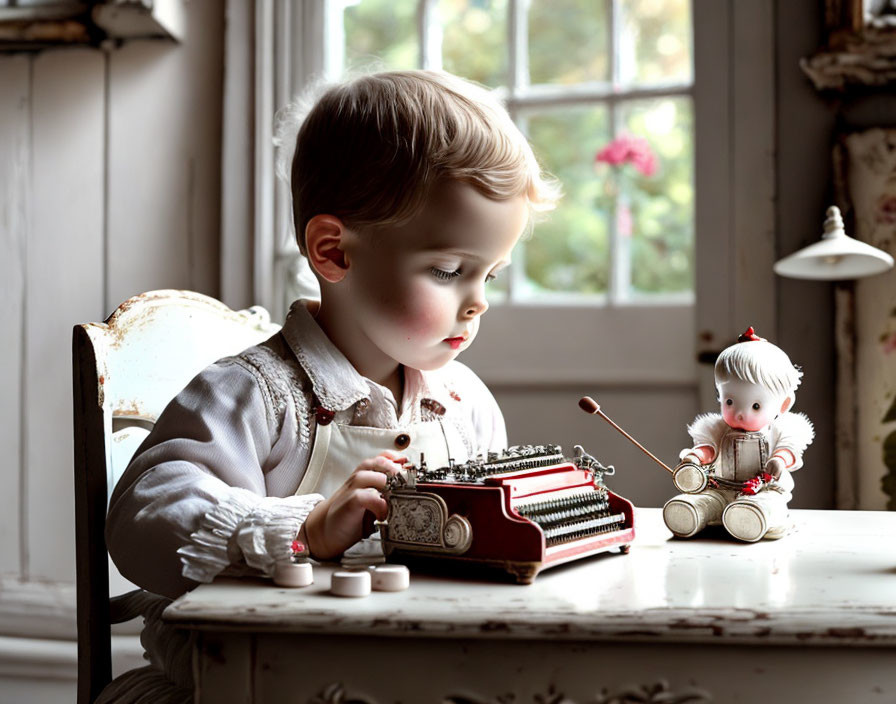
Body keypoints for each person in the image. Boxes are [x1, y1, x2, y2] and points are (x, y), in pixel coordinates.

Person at [98, 70, 560, 703]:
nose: (477, 303)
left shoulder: (463, 402)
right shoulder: (255, 394)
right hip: (250, 676)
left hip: (417, 667)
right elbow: (143, 519)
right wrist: (306, 530)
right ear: (334, 252)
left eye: (492, 275)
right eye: (450, 271)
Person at [662, 327, 815, 543]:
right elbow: (708, 448)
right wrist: (695, 457)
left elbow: (789, 449)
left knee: (770, 504)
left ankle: (752, 517)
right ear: (720, 395)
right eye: (730, 402)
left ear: (783, 405)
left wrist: (779, 460)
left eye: (755, 405)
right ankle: (693, 514)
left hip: (762, 490)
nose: (740, 413)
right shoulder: (717, 430)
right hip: (721, 489)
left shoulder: (779, 430)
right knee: (706, 501)